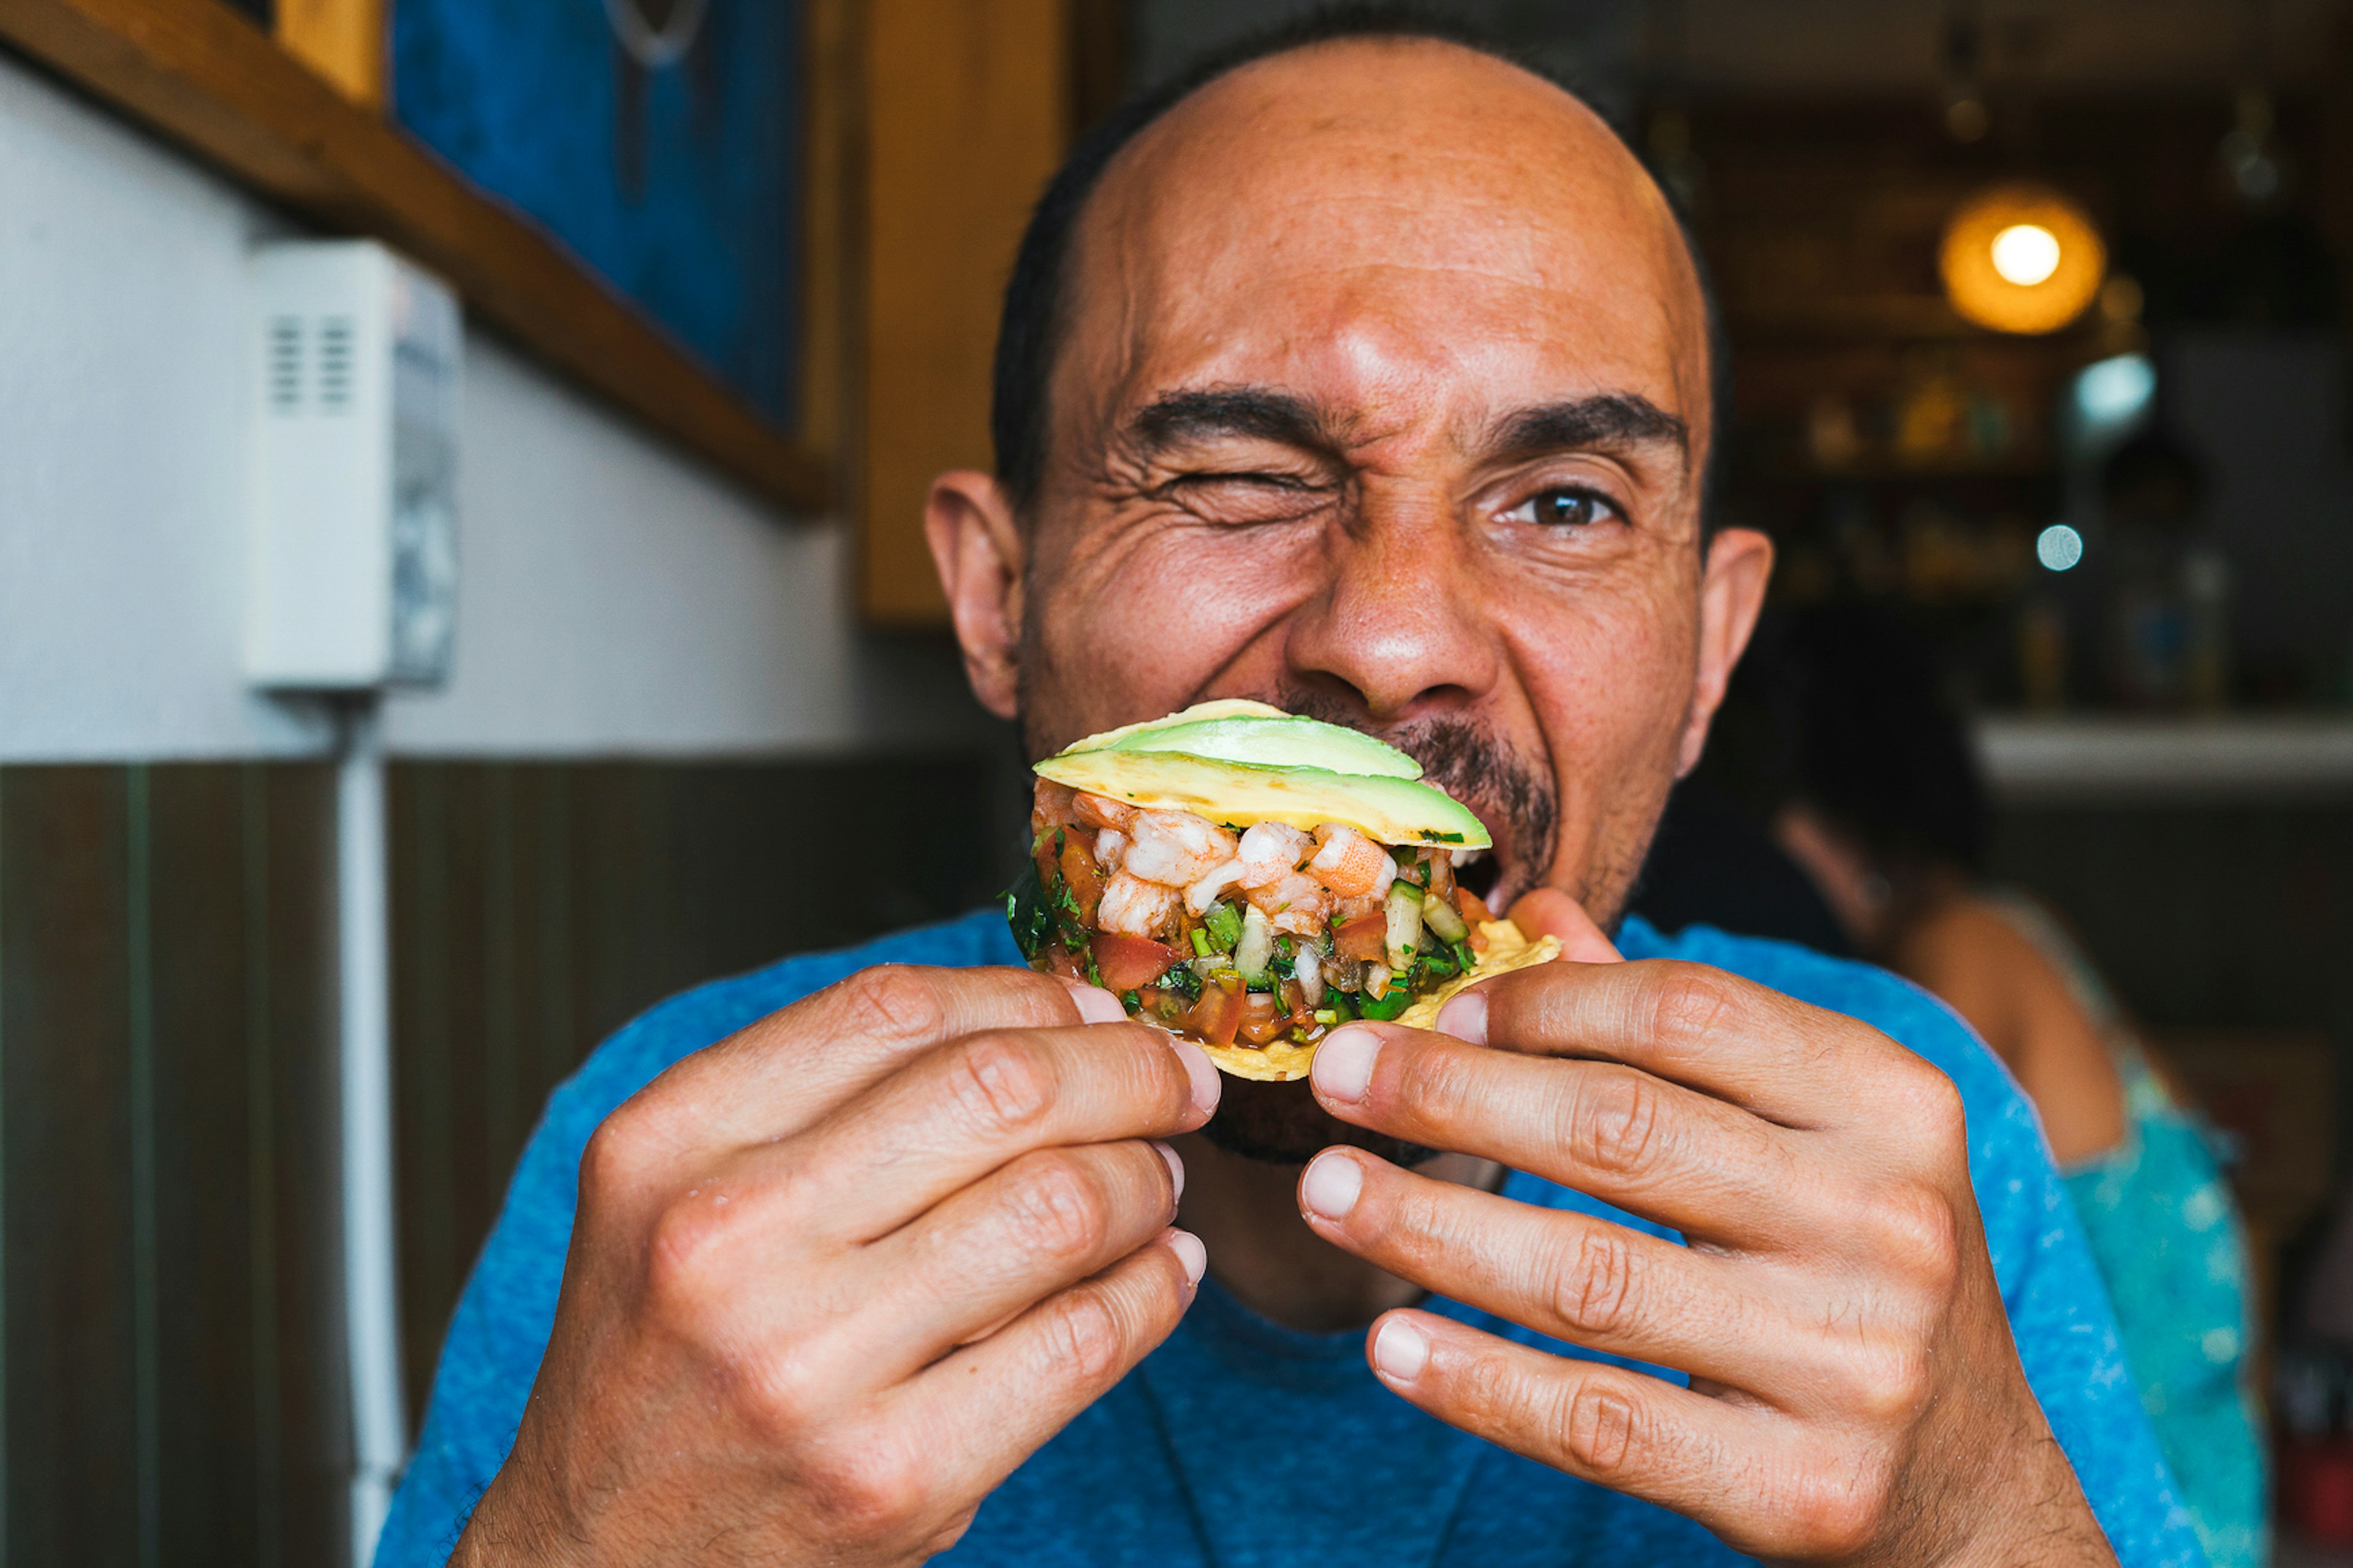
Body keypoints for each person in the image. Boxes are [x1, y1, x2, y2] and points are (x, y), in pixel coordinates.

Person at [380, 16, 2203, 1567]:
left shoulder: (1899, 1151)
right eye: (1242, 473)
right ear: (998, 597)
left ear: (1712, 653)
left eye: (1564, 503)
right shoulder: (694, 1179)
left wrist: (1975, 1508)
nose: (1394, 635)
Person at [1703, 604, 2264, 1568]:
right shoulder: (2013, 926)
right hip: (2208, 1474)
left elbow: (1861, 1220)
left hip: (2112, 1506)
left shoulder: (1948, 965)